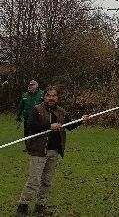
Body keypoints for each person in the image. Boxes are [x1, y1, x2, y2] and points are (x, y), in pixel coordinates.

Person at [15, 86, 88, 217]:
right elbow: (31, 126)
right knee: (34, 180)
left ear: (57, 98)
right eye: (49, 95)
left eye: (54, 95)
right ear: (44, 97)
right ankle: (23, 206)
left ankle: (40, 206)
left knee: (47, 181)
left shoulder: (61, 111)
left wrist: (81, 121)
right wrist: (49, 126)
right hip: (39, 150)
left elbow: (69, 126)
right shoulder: (37, 109)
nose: (51, 98)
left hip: (54, 151)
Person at [16, 80, 44, 148]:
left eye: (32, 85)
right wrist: (18, 115)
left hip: (39, 117)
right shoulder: (25, 95)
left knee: (38, 131)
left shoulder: (42, 94)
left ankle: (39, 145)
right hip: (27, 117)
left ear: (36, 86)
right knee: (27, 132)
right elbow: (21, 106)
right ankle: (27, 146)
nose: (30, 86)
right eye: (29, 85)